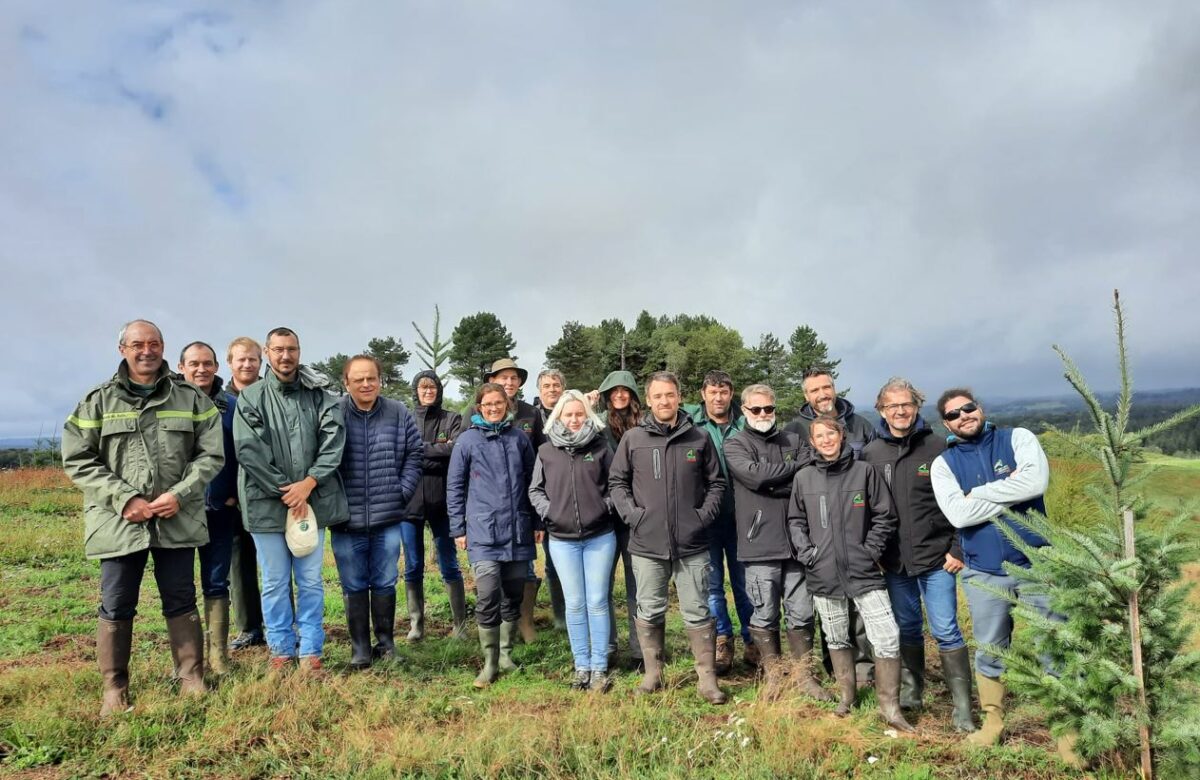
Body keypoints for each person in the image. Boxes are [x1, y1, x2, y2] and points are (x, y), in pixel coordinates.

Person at [62, 320, 224, 715]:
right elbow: (78, 459)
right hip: (119, 522)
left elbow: (210, 455)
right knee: (116, 603)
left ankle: (191, 678)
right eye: (137, 344)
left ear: (163, 347)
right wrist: (124, 498)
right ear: (123, 350)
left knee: (181, 597)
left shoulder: (191, 399)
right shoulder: (96, 401)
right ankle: (114, 689)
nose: (146, 351)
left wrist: (180, 494)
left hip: (176, 518)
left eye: (153, 344)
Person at [930, 389, 1083, 766]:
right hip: (983, 572)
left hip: (1037, 565)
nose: (963, 415)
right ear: (945, 424)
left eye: (968, 407)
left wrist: (976, 494)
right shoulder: (943, 464)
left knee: (1055, 648)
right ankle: (992, 724)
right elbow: (958, 517)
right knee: (990, 649)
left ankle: (1068, 738)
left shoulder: (1018, 438)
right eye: (953, 414)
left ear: (980, 409)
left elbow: (1034, 485)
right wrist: (1008, 490)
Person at [861, 378, 974, 732]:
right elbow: (864, 510)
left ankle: (962, 707)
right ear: (881, 410)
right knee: (908, 627)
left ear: (916, 406)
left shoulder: (938, 447)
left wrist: (958, 548)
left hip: (937, 558)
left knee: (946, 629)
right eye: (892, 405)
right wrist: (874, 552)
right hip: (894, 563)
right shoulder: (871, 454)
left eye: (906, 404)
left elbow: (965, 500)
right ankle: (912, 693)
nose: (900, 411)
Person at [233, 327, 348, 674]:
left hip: (311, 502)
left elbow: (333, 441)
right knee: (274, 581)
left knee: (311, 580)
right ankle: (281, 650)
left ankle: (311, 651)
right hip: (266, 505)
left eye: (292, 349)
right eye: (279, 350)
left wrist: (308, 484)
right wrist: (288, 490)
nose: (286, 356)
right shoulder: (251, 398)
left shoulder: (320, 395)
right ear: (267, 352)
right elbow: (249, 450)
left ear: (299, 351)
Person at [609, 371, 728, 705]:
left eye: (670, 395)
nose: (664, 401)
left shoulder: (699, 437)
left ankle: (707, 679)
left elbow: (716, 483)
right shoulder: (633, 439)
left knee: (698, 610)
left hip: (692, 545)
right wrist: (634, 516)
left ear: (679, 397)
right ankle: (653, 674)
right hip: (647, 544)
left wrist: (702, 517)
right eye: (658, 396)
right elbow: (617, 483)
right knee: (649, 609)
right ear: (648, 400)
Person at [787, 416, 912, 731]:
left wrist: (869, 550)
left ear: (841, 436)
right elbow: (795, 520)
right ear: (812, 442)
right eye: (819, 435)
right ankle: (847, 696)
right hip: (823, 573)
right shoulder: (804, 478)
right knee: (836, 635)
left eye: (831, 433)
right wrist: (807, 553)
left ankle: (890, 707)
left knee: (886, 635)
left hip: (864, 572)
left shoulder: (864, 472)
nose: (826, 440)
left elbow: (885, 515)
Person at [723, 384, 831, 701]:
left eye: (768, 409)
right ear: (743, 411)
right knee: (764, 613)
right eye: (755, 409)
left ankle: (804, 676)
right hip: (759, 545)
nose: (762, 414)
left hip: (797, 545)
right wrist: (780, 477)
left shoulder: (794, 440)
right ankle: (772, 675)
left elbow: (806, 476)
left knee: (801, 613)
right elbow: (754, 478)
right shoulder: (735, 444)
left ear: (775, 409)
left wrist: (772, 482)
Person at [784, 366, 877, 682]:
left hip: (857, 532)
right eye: (814, 390)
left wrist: (873, 544)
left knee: (863, 609)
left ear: (834, 388)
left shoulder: (861, 426)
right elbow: (791, 484)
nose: (822, 394)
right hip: (819, 534)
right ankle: (837, 670)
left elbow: (875, 477)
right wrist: (806, 548)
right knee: (830, 608)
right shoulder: (794, 431)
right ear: (805, 395)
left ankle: (865, 669)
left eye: (826, 387)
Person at [448, 383, 542, 688]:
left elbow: (533, 482)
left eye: (498, 403)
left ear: (507, 405)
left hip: (518, 529)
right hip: (482, 530)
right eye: (487, 404)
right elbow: (456, 487)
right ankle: (488, 663)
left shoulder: (519, 439)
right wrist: (458, 528)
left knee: (513, 594)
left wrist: (538, 521)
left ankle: (505, 655)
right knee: (488, 593)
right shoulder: (467, 441)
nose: (493, 408)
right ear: (479, 408)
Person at [332, 356, 422, 669]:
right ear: (346, 383)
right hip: (346, 519)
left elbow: (414, 454)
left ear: (380, 379)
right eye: (359, 379)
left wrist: (402, 491)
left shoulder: (398, 412)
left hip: (387, 517)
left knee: (385, 581)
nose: (366, 384)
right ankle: (359, 649)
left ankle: (386, 643)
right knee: (353, 583)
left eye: (371, 378)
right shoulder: (334, 413)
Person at [529, 390, 618, 692]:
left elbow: (616, 485)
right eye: (568, 414)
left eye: (579, 414)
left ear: (588, 415)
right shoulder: (546, 451)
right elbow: (535, 490)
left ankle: (599, 668)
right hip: (562, 539)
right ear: (559, 417)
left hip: (600, 537)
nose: (574, 419)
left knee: (596, 602)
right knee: (575, 604)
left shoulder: (602, 447)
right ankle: (581, 666)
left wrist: (602, 507)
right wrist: (550, 512)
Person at [683, 370, 754, 673]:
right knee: (712, 587)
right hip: (706, 518)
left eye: (724, 392)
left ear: (731, 393)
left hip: (742, 517)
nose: (718, 397)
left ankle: (753, 640)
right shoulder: (690, 422)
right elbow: (657, 405)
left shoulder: (746, 422)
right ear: (703, 394)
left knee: (745, 584)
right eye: (712, 392)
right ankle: (723, 638)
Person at [177, 341, 238, 675]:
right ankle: (189, 661)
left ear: (217, 367)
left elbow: (243, 452)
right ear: (181, 366)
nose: (201, 369)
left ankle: (219, 658)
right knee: (181, 586)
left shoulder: (231, 405)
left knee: (217, 582)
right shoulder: (169, 403)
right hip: (179, 512)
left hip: (220, 508)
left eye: (207, 363)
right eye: (194, 363)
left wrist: (233, 495)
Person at [484, 357, 554, 641]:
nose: (509, 382)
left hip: (525, 498)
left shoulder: (530, 413)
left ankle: (525, 621)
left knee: (524, 562)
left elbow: (543, 454)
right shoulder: (476, 410)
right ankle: (500, 624)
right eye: (503, 378)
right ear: (493, 381)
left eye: (514, 378)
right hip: (489, 504)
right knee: (493, 565)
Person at [403, 370, 468, 640]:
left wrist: (420, 451)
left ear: (439, 390)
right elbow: (401, 453)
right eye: (423, 387)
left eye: (432, 387)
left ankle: (460, 625)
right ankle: (416, 625)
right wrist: (435, 452)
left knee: (449, 564)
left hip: (443, 504)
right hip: (409, 505)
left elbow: (455, 451)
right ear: (416, 390)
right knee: (412, 565)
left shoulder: (451, 418)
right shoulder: (405, 418)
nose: (428, 391)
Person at [595, 370, 643, 669]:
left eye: (625, 390)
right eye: (614, 391)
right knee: (603, 587)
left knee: (637, 586)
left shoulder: (645, 423)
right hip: (605, 514)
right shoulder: (598, 422)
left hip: (637, 514)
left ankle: (641, 650)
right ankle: (608, 646)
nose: (620, 395)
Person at [224, 337, 266, 651]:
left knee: (279, 563)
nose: (247, 364)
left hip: (270, 493)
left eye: (252, 359)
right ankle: (249, 626)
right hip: (233, 498)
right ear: (230, 362)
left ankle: (282, 623)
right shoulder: (221, 402)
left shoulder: (271, 396)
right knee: (240, 564)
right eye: (241, 359)